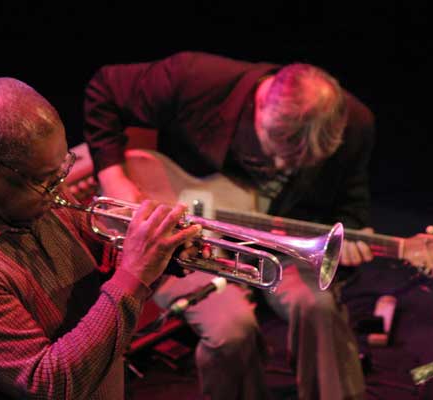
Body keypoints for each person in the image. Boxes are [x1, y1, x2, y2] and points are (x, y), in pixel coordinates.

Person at [83, 51, 376, 400]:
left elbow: (351, 206)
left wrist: (352, 238)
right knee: (231, 330)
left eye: (297, 161)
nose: (281, 164)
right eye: (277, 149)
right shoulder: (195, 78)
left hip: (280, 245)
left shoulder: (356, 123)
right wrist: (114, 177)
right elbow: (103, 91)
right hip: (188, 241)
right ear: (262, 102)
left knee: (319, 308)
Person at [0, 77, 203, 399]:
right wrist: (136, 274)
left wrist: (160, 255)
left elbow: (102, 277)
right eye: (48, 181)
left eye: (62, 171)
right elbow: (50, 386)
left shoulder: (29, 190)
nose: (59, 190)